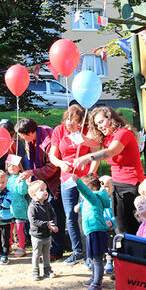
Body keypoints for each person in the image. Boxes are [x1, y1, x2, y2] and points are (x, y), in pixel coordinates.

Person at [75, 107, 145, 235]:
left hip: (131, 184)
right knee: (121, 225)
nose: (99, 127)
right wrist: (75, 132)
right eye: (97, 125)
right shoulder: (108, 137)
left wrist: (87, 158)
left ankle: (134, 247)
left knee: (129, 226)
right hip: (117, 184)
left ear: (111, 119)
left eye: (101, 122)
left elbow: (110, 152)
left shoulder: (123, 133)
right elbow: (90, 142)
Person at [49, 104, 97, 265]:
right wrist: (61, 164)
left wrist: (91, 174)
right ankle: (77, 251)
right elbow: (53, 156)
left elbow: (95, 153)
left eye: (76, 121)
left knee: (88, 214)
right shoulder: (59, 131)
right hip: (67, 178)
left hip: (85, 178)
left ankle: (92, 252)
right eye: (70, 120)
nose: (72, 124)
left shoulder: (87, 130)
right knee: (70, 215)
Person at [15, 117, 63, 259]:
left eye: (22, 135)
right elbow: (31, 160)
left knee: (55, 214)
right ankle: (45, 246)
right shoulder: (30, 140)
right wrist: (30, 176)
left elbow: (52, 167)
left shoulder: (48, 142)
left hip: (54, 182)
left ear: (30, 133)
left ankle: (56, 250)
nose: (21, 138)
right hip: (39, 181)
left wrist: (33, 173)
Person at [75, 173, 112, 290]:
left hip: (97, 231)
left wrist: (77, 181)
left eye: (84, 189)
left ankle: (97, 284)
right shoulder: (91, 200)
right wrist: (79, 205)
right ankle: (94, 278)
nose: (81, 193)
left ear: (93, 188)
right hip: (92, 231)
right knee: (92, 258)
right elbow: (87, 203)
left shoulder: (94, 197)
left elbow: (87, 193)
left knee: (97, 259)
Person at [28, 180, 58, 280]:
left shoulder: (48, 204)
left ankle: (47, 270)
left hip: (47, 235)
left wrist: (54, 225)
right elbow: (33, 221)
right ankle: (35, 271)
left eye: (45, 189)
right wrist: (47, 224)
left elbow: (53, 215)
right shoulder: (32, 207)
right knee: (36, 254)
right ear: (34, 195)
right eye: (41, 190)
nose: (45, 191)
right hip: (37, 236)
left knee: (46, 253)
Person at [3, 156, 29, 257]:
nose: (12, 167)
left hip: (19, 208)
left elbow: (23, 191)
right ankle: (9, 245)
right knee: (9, 229)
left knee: (19, 229)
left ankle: (22, 247)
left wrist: (21, 181)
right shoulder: (7, 179)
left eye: (14, 165)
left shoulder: (21, 178)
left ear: (19, 167)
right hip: (9, 208)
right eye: (9, 165)